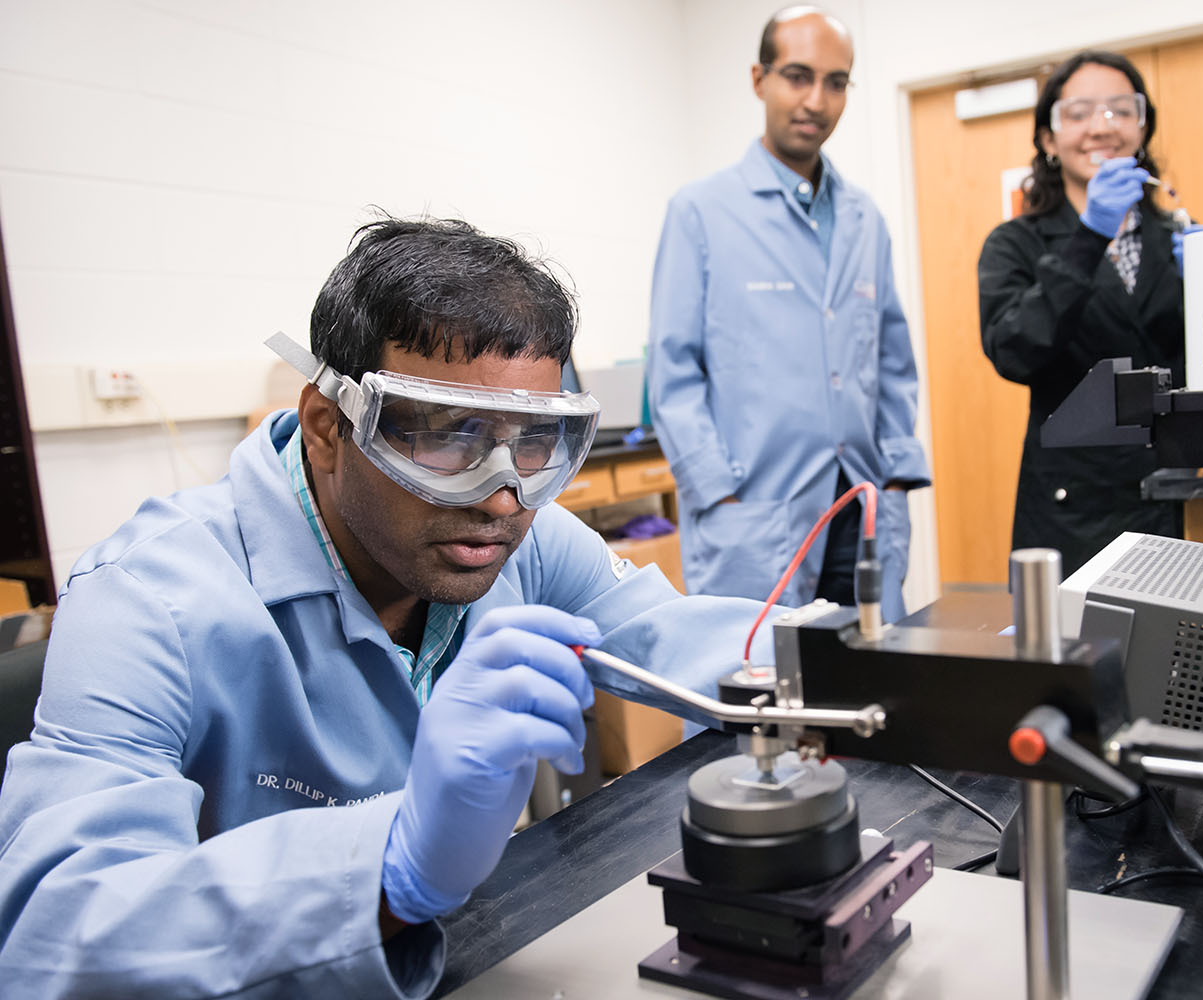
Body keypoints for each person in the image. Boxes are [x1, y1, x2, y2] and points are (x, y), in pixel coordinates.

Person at [0, 217, 770, 999]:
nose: (502, 492)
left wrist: (855, 660)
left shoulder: (518, 539)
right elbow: (49, 934)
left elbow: (682, 638)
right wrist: (391, 865)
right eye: (445, 436)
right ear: (329, 427)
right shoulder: (146, 598)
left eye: (536, 441)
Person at [647, 6, 930, 623]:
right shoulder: (701, 212)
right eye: (798, 76)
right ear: (760, 79)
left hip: (862, 501)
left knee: (870, 689)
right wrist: (715, 490)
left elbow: (892, 362)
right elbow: (673, 372)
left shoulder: (864, 219)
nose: (816, 100)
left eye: (836, 82)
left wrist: (901, 479)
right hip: (756, 509)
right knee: (760, 696)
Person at [978, 50, 1203, 576]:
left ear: (1143, 127)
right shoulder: (1016, 243)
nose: (1101, 128)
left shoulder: (1175, 236)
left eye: (1121, 110)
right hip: (1069, 506)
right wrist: (1089, 238)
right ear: (1048, 138)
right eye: (1079, 113)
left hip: (1173, 498)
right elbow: (1015, 350)